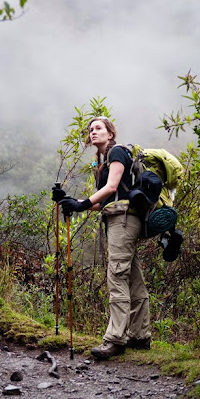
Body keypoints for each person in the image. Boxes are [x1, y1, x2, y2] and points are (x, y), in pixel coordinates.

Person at [52, 116, 151, 360]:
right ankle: (140, 336)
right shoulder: (103, 160)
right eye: (91, 129)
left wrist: (83, 202)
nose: (93, 132)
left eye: (99, 128)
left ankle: (115, 339)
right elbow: (106, 199)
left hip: (123, 220)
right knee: (133, 277)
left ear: (110, 133)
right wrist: (73, 202)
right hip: (121, 217)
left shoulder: (117, 152)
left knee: (117, 275)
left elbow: (111, 186)